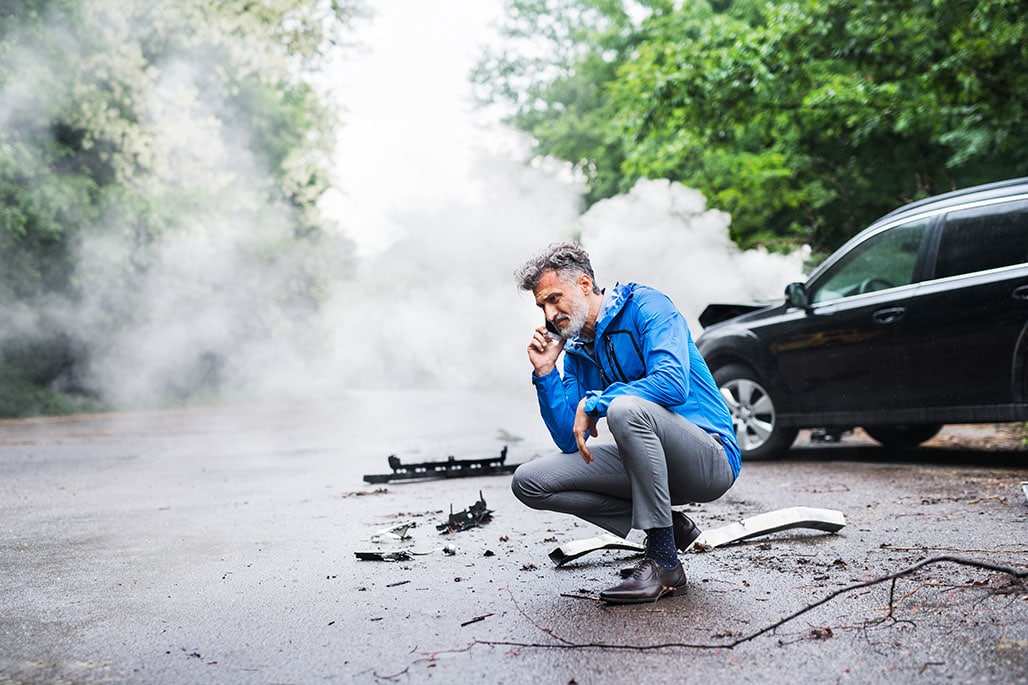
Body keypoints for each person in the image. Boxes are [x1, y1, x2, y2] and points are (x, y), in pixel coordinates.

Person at [511, 241, 741, 604]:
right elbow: (571, 441)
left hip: (708, 458)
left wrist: (599, 400)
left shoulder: (648, 307)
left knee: (624, 409)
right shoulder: (576, 352)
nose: (550, 313)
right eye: (543, 305)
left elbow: (672, 383)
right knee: (530, 482)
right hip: (651, 469)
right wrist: (545, 374)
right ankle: (667, 526)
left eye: (555, 298)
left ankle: (665, 561)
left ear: (585, 285)